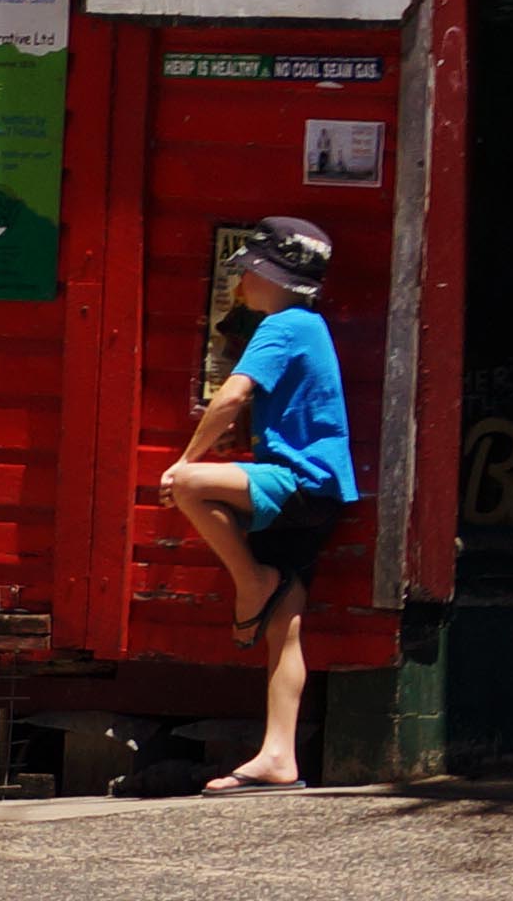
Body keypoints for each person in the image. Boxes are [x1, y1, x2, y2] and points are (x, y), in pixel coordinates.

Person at [157, 218, 359, 789]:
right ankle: (278, 756)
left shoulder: (283, 324)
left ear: (271, 275)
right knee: (284, 625)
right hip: (320, 491)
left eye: (248, 269)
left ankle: (251, 580)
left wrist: (185, 460)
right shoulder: (310, 325)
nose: (242, 279)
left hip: (298, 480)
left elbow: (234, 392)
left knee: (189, 485)